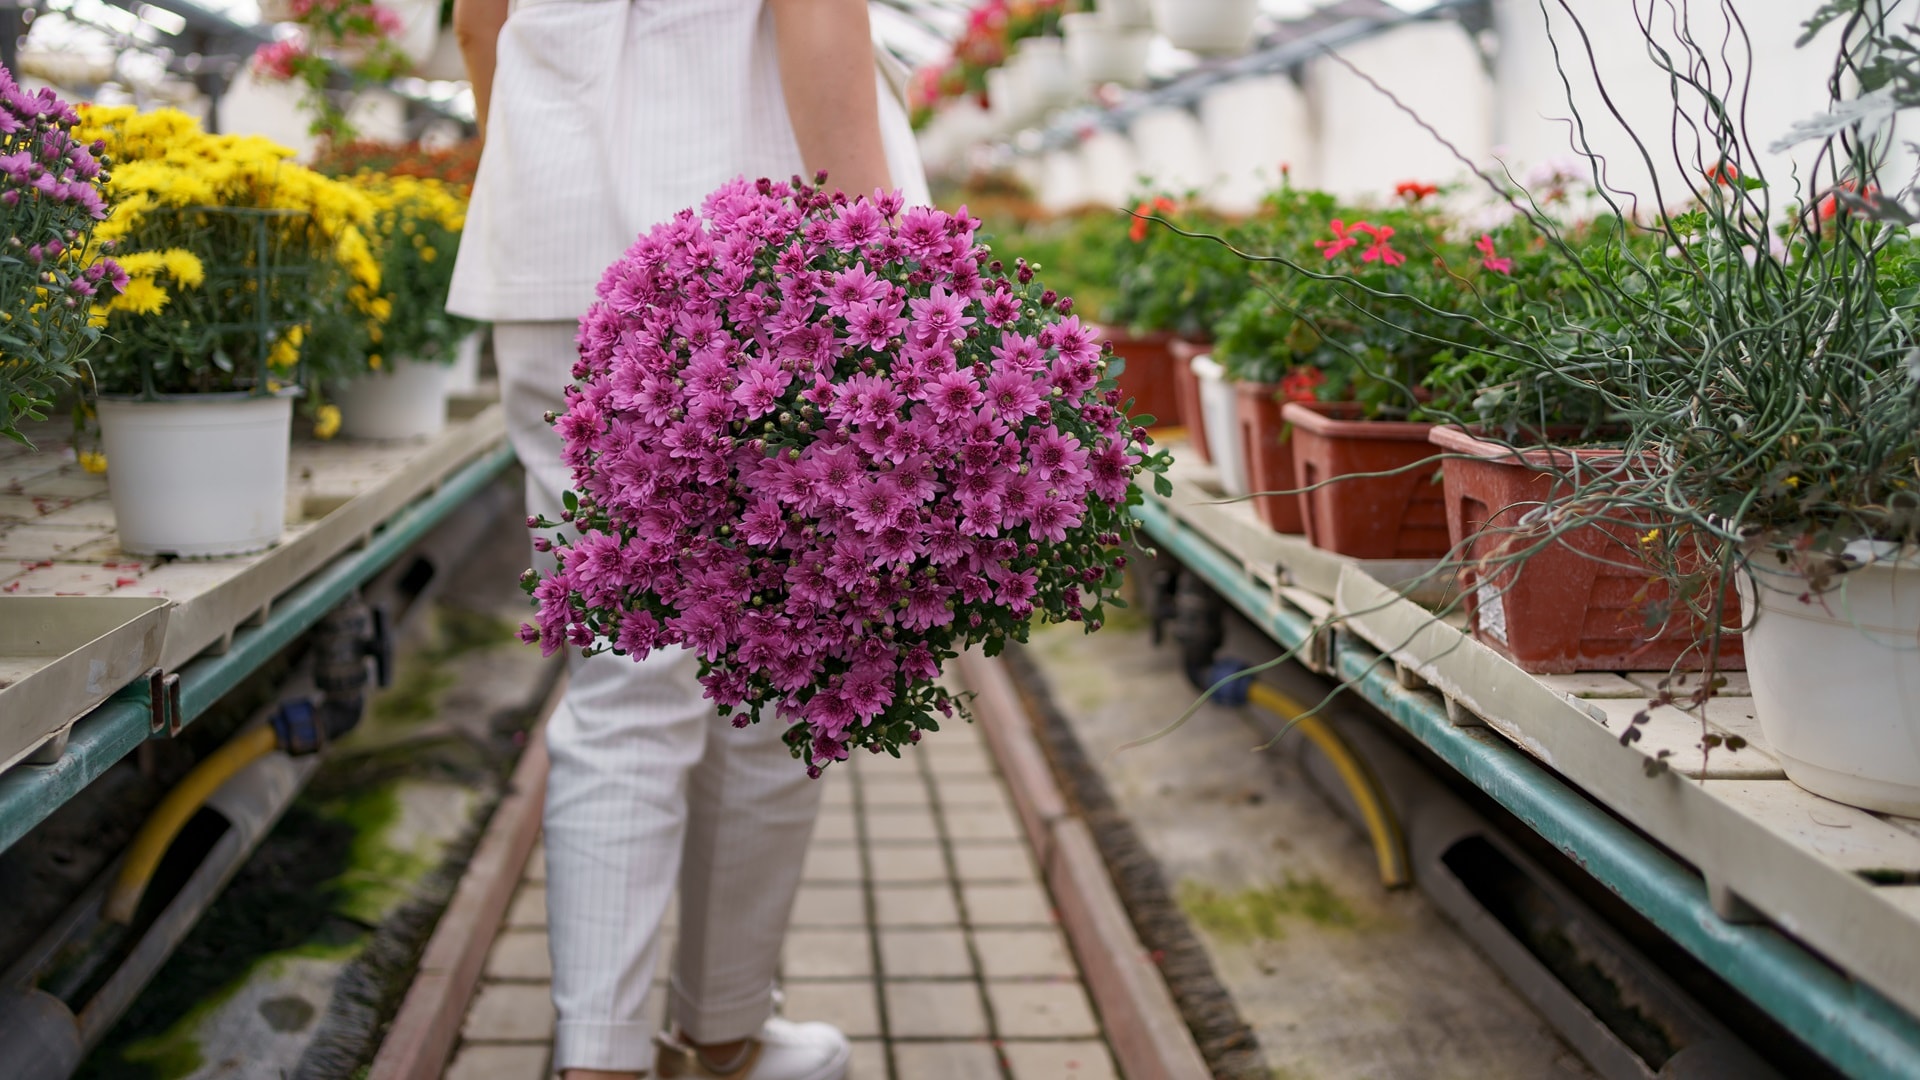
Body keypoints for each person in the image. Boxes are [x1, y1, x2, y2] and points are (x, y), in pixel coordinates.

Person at [445, 1, 930, 1077]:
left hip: (557, 243)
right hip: (759, 242)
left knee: (625, 674)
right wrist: (890, 278)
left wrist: (546, 166)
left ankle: (602, 1060)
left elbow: (483, 19)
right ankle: (722, 1035)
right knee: (779, 661)